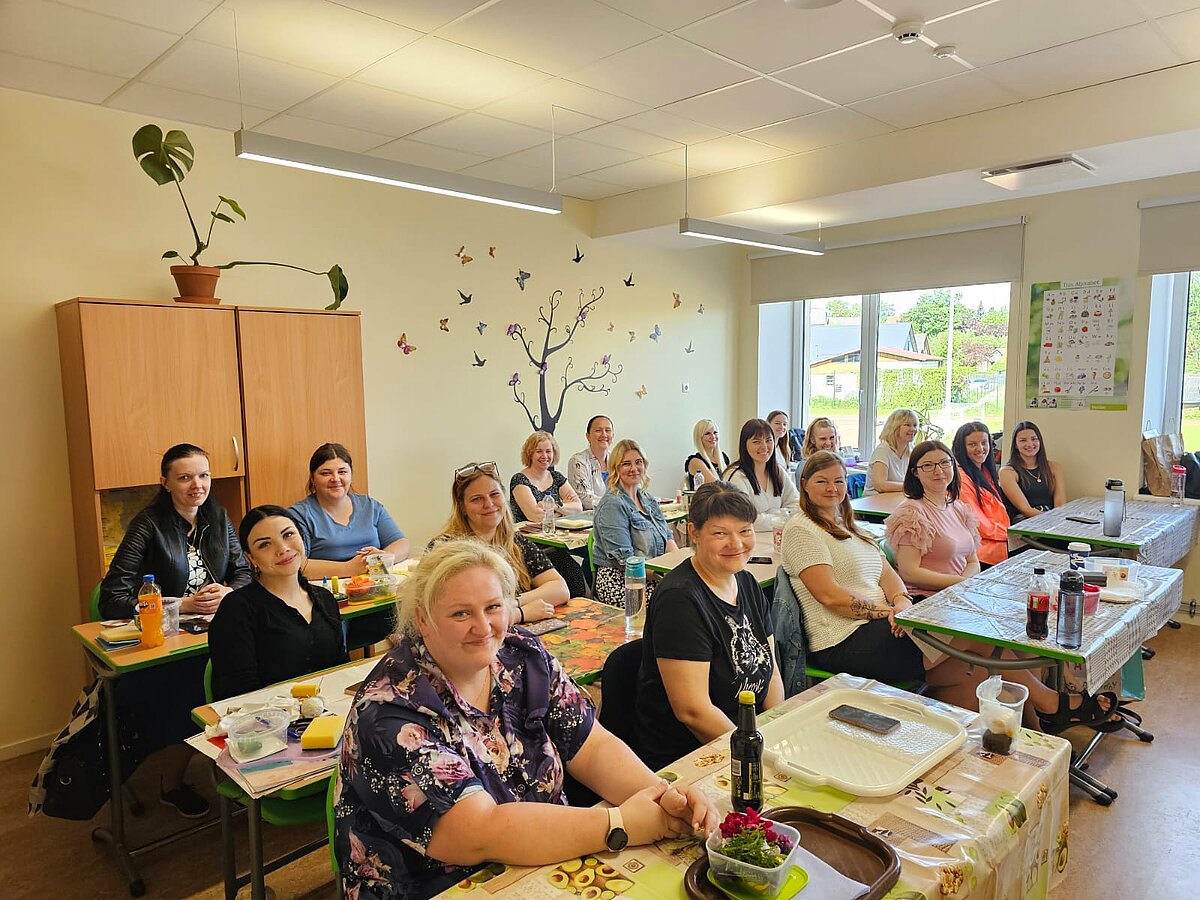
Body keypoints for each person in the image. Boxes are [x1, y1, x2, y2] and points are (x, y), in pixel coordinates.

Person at [333, 540, 718, 899]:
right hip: (440, 885)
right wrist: (620, 823)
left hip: (546, 855)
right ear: (422, 619)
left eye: (493, 607)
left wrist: (661, 797)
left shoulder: (522, 655)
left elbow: (591, 744)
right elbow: (479, 833)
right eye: (460, 613)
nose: (483, 628)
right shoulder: (388, 711)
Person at [784, 452, 1113, 727]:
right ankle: (1054, 706)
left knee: (981, 671)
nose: (833, 488)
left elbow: (889, 575)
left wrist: (901, 600)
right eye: (822, 481)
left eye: (839, 480)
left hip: (887, 624)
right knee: (977, 634)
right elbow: (830, 596)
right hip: (845, 639)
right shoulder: (802, 529)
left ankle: (1040, 730)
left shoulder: (849, 527)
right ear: (804, 486)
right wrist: (892, 610)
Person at [98, 443, 251, 818]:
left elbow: (244, 572)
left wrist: (228, 591)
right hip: (167, 641)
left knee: (256, 671)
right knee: (194, 691)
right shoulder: (148, 524)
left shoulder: (218, 516)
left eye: (203, 476)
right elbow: (112, 598)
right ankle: (171, 782)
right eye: (184, 478)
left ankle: (248, 770)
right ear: (165, 482)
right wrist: (183, 604)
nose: (196, 485)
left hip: (215, 632)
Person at [636, 483, 785, 770]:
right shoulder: (680, 600)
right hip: (693, 753)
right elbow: (693, 712)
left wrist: (776, 730)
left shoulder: (747, 583)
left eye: (745, 531)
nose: (736, 543)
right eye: (720, 533)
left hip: (749, 738)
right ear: (694, 532)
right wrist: (754, 753)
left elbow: (771, 670)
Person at [208, 506, 348, 701]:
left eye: (288, 534)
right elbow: (238, 695)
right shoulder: (237, 609)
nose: (283, 548)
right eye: (265, 545)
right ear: (251, 558)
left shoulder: (325, 598)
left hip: (329, 716)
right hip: (269, 723)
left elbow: (341, 670)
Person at [289, 443, 409, 649]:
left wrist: (382, 557)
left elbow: (402, 543)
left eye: (342, 472)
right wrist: (348, 569)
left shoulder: (370, 506)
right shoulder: (300, 514)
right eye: (326, 473)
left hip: (375, 594)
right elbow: (298, 565)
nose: (336, 479)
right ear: (313, 478)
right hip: (329, 600)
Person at [429, 461, 569, 624]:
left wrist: (515, 602)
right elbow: (451, 616)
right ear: (462, 507)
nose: (489, 504)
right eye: (476, 499)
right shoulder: (443, 548)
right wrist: (518, 614)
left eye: (494, 494)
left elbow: (560, 589)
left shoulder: (516, 542)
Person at [884, 441, 981, 595]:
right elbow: (909, 572)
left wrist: (964, 585)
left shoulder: (959, 508)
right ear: (915, 472)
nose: (938, 470)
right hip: (926, 599)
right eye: (928, 465)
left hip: (959, 594)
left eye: (944, 463)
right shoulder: (911, 514)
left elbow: (973, 561)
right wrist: (960, 584)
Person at [592, 439, 678, 608]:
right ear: (615, 468)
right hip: (621, 582)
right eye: (626, 464)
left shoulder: (648, 498)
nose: (634, 468)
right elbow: (627, 562)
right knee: (677, 603)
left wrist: (680, 568)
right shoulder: (612, 505)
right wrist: (667, 576)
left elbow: (668, 540)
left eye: (638, 462)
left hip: (652, 576)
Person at [509, 431, 588, 598]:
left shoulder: (557, 477)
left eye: (548, 451)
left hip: (555, 544)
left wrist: (554, 505)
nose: (544, 456)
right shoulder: (519, 480)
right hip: (530, 547)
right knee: (569, 575)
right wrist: (562, 508)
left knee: (575, 575)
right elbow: (535, 515)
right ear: (529, 453)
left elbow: (578, 506)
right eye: (539, 451)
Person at [722, 418, 799, 531]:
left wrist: (767, 515)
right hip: (747, 543)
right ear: (744, 445)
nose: (764, 446)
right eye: (756, 442)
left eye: (769, 440)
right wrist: (780, 517)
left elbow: (797, 505)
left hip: (777, 541)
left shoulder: (778, 472)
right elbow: (745, 519)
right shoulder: (735, 476)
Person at [951, 422, 1010, 566]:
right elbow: (978, 523)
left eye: (984, 443)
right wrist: (1010, 535)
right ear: (962, 448)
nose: (980, 449)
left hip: (999, 540)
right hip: (981, 552)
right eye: (972, 444)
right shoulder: (962, 479)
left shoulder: (986, 472)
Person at [999, 421, 1065, 522]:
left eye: (1034, 439)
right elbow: (1025, 510)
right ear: (1015, 445)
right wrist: (1052, 520)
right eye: (1023, 440)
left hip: (1053, 520)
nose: (1029, 444)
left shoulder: (1054, 467)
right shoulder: (1007, 472)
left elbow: (1060, 505)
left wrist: (1058, 521)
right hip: (1026, 523)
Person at [863, 408, 918, 495]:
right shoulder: (882, 451)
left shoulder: (910, 450)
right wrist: (910, 487)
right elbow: (880, 485)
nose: (913, 429)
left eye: (915, 425)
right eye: (907, 425)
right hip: (874, 501)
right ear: (895, 428)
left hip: (896, 498)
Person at [567, 415, 613, 511]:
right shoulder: (578, 461)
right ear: (588, 436)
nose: (604, 434)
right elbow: (585, 499)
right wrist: (617, 505)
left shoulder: (617, 459)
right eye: (598, 430)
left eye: (608, 430)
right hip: (589, 519)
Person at [684, 418, 729, 487]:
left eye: (715, 432)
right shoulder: (695, 462)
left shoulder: (723, 457)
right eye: (707, 434)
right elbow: (716, 486)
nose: (713, 436)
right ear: (699, 438)